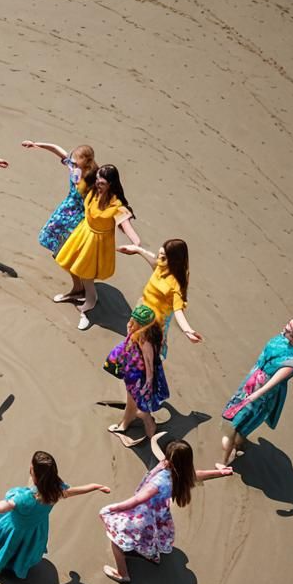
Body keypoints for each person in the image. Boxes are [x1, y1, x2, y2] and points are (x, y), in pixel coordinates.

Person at [0, 450, 109, 578]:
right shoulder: (56, 491)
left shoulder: (23, 498)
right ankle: (17, 565)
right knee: (24, 547)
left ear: (34, 473)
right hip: (36, 528)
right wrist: (95, 486)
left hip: (14, 528)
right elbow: (75, 491)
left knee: (8, 547)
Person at [100, 433, 233, 583]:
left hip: (142, 515)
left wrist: (113, 508)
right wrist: (220, 472)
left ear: (169, 458)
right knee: (151, 534)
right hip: (160, 513)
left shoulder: (161, 480)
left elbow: (138, 499)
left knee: (116, 541)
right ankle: (150, 554)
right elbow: (198, 475)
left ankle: (122, 574)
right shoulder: (182, 474)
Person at [221, 315, 293, 467]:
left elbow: (274, 382)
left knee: (237, 427)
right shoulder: (284, 338)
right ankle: (236, 441)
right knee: (234, 423)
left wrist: (253, 396)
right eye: (289, 323)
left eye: (291, 328)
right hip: (254, 379)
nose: (286, 327)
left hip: (262, 393)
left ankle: (225, 461)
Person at [53, 164, 140, 330]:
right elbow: (73, 166)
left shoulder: (117, 205)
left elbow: (129, 229)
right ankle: (77, 291)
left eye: (102, 183)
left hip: (97, 243)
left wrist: (136, 246)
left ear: (111, 184)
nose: (97, 185)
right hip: (83, 233)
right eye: (97, 181)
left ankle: (88, 308)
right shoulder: (92, 191)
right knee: (72, 265)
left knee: (87, 276)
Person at [117, 239, 202, 355]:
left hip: (154, 323)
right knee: (132, 343)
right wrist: (137, 250)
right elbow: (155, 263)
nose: (160, 256)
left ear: (173, 260)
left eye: (164, 256)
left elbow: (178, 310)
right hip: (141, 312)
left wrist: (188, 331)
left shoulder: (176, 284)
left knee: (146, 351)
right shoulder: (162, 264)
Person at [103, 304, 170, 447]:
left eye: (134, 322)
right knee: (132, 401)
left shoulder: (145, 340)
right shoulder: (151, 332)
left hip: (139, 375)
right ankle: (129, 421)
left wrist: (149, 381)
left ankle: (144, 426)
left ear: (142, 326)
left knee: (135, 402)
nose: (130, 324)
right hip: (133, 369)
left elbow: (149, 362)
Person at [20, 139, 96, 255]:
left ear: (86, 161)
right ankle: (60, 254)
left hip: (79, 215)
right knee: (50, 231)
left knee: (69, 238)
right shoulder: (73, 167)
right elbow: (56, 149)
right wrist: (36, 144)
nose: (73, 163)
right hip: (66, 208)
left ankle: (63, 255)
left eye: (76, 161)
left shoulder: (94, 178)